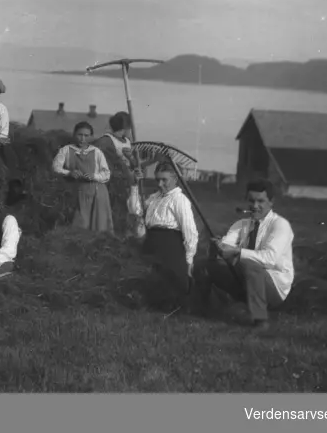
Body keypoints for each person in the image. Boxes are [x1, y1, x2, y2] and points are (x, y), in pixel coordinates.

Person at [199, 179, 295, 329]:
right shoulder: (242, 224)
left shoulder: (280, 225)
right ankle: (202, 309)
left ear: (271, 202)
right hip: (247, 279)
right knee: (208, 265)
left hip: (274, 287)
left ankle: (260, 320)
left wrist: (237, 251)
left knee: (250, 264)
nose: (255, 206)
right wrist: (218, 247)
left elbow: (270, 259)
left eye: (260, 201)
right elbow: (227, 248)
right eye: (251, 201)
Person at [140, 165, 200, 302]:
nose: (160, 184)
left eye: (164, 180)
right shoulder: (154, 198)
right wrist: (134, 184)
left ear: (175, 179)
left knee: (170, 287)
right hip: (151, 242)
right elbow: (136, 211)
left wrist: (189, 260)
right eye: (157, 180)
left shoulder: (179, 200)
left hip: (169, 245)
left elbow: (190, 231)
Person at [52, 121, 113, 233]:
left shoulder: (97, 152)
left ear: (91, 137)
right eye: (80, 135)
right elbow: (56, 167)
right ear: (74, 134)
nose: (82, 139)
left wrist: (94, 176)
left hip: (97, 192)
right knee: (80, 225)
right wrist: (68, 173)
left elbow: (106, 174)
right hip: (77, 191)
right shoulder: (66, 150)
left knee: (99, 226)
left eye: (86, 135)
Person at [94, 112, 145, 238]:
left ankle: (130, 237)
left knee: (133, 213)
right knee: (117, 214)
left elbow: (134, 163)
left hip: (129, 183)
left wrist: (132, 159)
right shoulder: (106, 141)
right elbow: (105, 163)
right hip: (114, 185)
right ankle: (115, 237)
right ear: (125, 128)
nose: (130, 131)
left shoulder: (127, 141)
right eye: (129, 127)